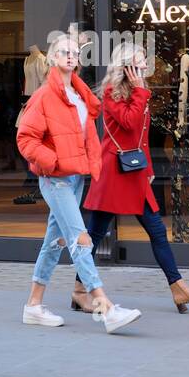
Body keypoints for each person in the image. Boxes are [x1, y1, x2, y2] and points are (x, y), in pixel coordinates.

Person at [16, 35, 141, 334]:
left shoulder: (77, 93)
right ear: (52, 57)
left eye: (74, 52)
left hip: (74, 177)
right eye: (64, 52)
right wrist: (54, 162)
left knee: (53, 242)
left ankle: (34, 305)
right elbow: (25, 138)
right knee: (80, 238)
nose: (71, 56)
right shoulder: (45, 96)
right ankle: (104, 308)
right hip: (56, 178)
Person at [78, 43, 189, 314]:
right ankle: (80, 290)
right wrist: (140, 91)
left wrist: (149, 168)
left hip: (134, 173)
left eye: (143, 63)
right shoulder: (111, 92)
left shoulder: (139, 92)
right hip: (115, 174)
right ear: (125, 66)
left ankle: (179, 288)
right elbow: (128, 123)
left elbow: (142, 137)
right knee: (95, 233)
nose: (143, 68)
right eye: (138, 63)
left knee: (156, 231)